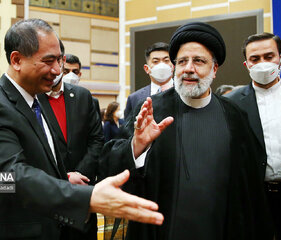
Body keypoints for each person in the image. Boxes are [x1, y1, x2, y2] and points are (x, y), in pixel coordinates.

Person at [0, 18, 163, 240]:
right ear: (17, 60)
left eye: (59, 60)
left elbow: (47, 162)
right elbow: (10, 175)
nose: (57, 70)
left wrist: (135, 145)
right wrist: (86, 197)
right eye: (49, 61)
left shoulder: (35, 101)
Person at [100, 22, 272, 240]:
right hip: (164, 230)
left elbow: (250, 188)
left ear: (215, 68)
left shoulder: (234, 116)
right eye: (182, 61)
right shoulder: (152, 110)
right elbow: (109, 162)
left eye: (198, 61)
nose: (189, 68)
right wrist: (137, 146)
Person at [225, 32, 281, 239]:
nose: (262, 63)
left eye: (269, 57)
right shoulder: (231, 103)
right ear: (246, 65)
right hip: (254, 198)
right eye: (255, 59)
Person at [38, 41, 104, 239]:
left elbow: (96, 141)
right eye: (45, 61)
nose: (52, 68)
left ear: (62, 61)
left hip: (82, 193)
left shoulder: (84, 97)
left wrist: (80, 175)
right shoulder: (31, 99)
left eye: (56, 61)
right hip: (47, 197)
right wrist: (63, 178)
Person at [124, 42, 174, 121]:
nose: (161, 65)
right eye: (155, 61)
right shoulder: (134, 98)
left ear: (173, 65)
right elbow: (127, 131)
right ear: (147, 69)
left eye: (166, 60)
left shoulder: (185, 92)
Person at [62, 53, 101, 117]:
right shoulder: (52, 99)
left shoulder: (91, 102)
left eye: (75, 72)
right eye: (65, 72)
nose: (71, 76)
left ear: (79, 75)